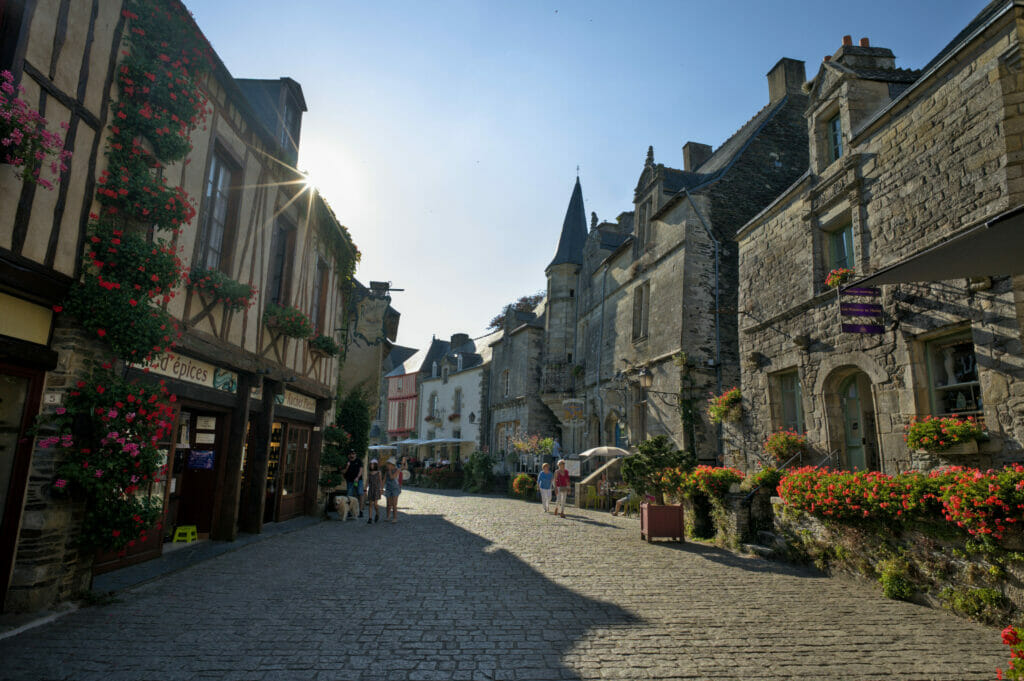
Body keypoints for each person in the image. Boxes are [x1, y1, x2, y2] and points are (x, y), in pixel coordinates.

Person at [343, 451, 364, 518]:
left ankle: (360, 511)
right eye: (351, 453)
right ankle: (348, 511)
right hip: (350, 481)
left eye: (353, 453)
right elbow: (343, 472)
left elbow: (361, 470)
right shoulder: (347, 461)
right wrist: (347, 466)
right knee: (349, 495)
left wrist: (357, 477)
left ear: (355, 454)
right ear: (349, 455)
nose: (352, 455)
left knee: (360, 494)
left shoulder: (359, 461)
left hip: (358, 480)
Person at [365, 459, 382, 524]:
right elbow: (367, 481)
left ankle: (377, 513)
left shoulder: (379, 472)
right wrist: (365, 489)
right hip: (371, 489)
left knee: (375, 504)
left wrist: (381, 489)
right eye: (371, 464)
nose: (371, 465)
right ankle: (370, 518)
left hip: (376, 489)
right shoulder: (369, 473)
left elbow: (380, 481)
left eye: (373, 464)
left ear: (375, 465)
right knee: (370, 504)